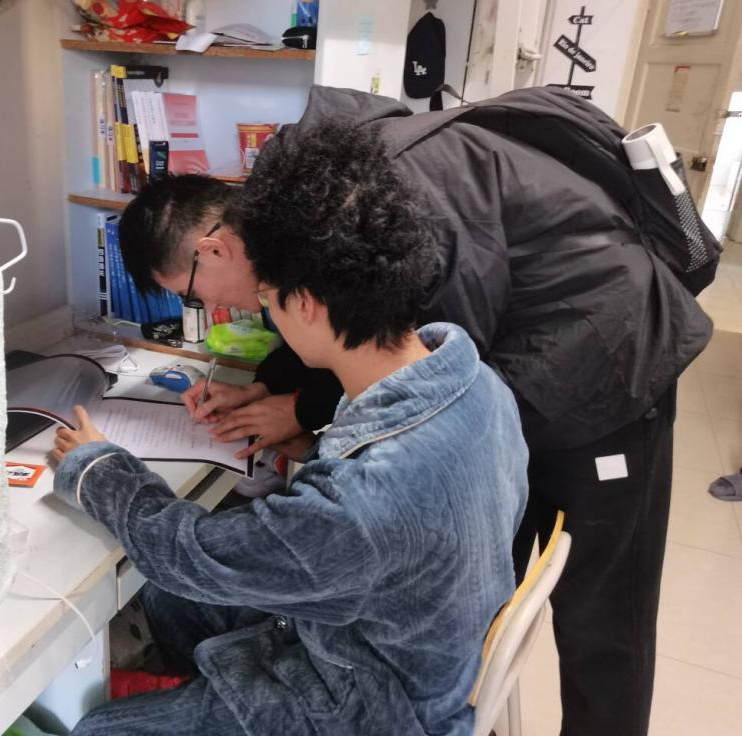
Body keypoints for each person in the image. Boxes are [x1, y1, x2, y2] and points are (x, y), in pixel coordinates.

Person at [116, 86, 718, 736]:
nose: (215, 310)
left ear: (212, 249)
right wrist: (271, 392)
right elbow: (347, 318)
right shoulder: (295, 202)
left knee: (601, 619)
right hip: (524, 356)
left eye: (193, 295)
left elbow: (417, 362)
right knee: (472, 585)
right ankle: (460, 702)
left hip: (609, 356)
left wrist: (303, 412)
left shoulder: (395, 195)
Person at [50, 133, 529, 735]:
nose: (264, 313)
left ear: (304, 303)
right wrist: (306, 447)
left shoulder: (363, 501)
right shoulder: (479, 383)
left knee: (98, 729)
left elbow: (193, 552)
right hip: (403, 644)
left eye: (269, 300)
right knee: (171, 602)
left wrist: (97, 469)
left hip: (372, 707)